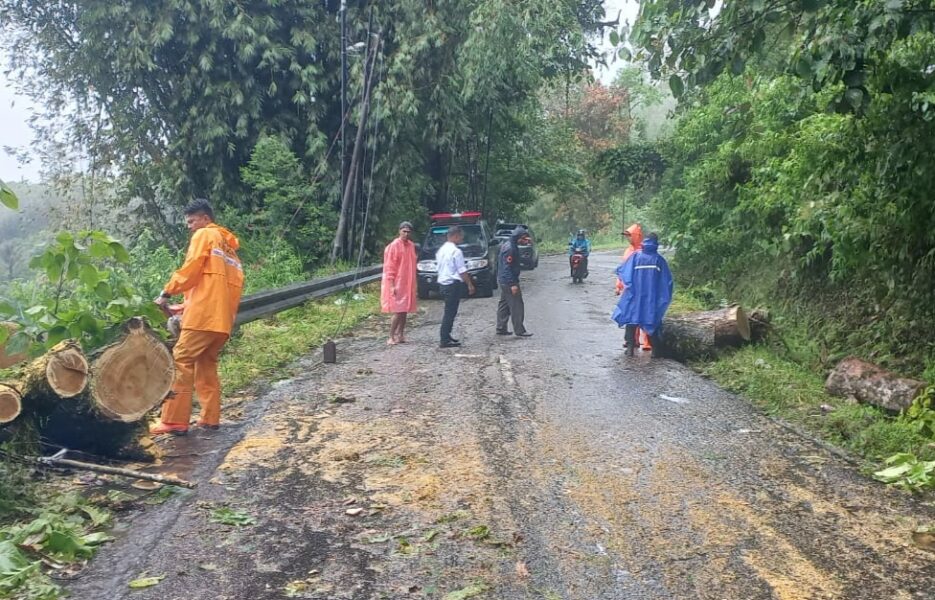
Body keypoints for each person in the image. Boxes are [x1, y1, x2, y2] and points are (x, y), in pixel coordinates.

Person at [150, 199, 244, 435]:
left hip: (203, 319)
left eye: (191, 221)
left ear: (205, 219)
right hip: (221, 321)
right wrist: (183, 307)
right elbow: (213, 287)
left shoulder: (204, 235)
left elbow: (191, 269)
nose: (189, 226)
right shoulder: (229, 251)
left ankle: (173, 421)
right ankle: (210, 418)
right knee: (206, 364)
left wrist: (166, 293)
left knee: (181, 359)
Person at [612, 233, 674, 357]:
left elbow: (625, 273)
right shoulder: (659, 260)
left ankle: (630, 349)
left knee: (631, 320)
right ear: (656, 243)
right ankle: (655, 351)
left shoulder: (635, 257)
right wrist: (662, 298)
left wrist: (628, 288)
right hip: (651, 299)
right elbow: (666, 282)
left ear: (644, 242)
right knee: (652, 321)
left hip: (635, 296)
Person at [436, 225, 476, 348]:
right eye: (461, 237)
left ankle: (447, 335)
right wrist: (469, 284)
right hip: (452, 284)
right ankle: (444, 338)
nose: (462, 239)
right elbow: (461, 270)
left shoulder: (441, 250)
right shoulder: (456, 251)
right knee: (450, 312)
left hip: (443, 283)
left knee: (449, 311)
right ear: (455, 236)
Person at [615, 223, 652, 351]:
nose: (628, 238)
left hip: (643, 288)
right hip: (630, 288)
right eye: (627, 236)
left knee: (645, 314)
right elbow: (623, 270)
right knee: (630, 314)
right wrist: (619, 285)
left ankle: (647, 341)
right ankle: (632, 340)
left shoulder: (644, 251)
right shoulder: (628, 251)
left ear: (636, 236)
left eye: (630, 236)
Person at [381, 221, 418, 345]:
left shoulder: (411, 245)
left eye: (408, 232)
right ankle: (391, 336)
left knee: (405, 310)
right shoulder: (394, 246)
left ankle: (400, 334)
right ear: (399, 231)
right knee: (398, 310)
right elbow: (390, 267)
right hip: (397, 283)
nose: (406, 234)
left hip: (408, 283)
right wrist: (391, 285)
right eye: (404, 231)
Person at [496, 226, 532, 337]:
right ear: (519, 237)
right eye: (524, 238)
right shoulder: (511, 248)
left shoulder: (508, 245)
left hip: (503, 279)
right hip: (508, 280)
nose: (525, 241)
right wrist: (512, 284)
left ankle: (501, 327)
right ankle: (519, 330)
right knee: (517, 305)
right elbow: (507, 267)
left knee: (504, 304)